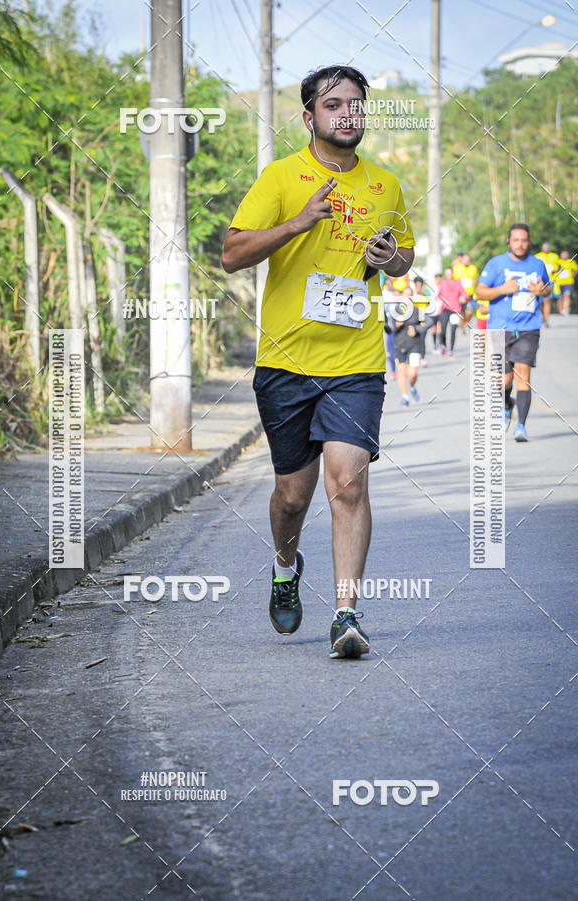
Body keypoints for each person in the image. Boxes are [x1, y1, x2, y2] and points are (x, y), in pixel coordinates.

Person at [221, 65, 415, 658]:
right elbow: (231, 254)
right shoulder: (281, 177)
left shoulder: (384, 185)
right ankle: (285, 564)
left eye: (356, 104)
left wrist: (390, 257)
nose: (347, 114)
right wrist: (299, 221)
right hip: (286, 362)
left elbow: (405, 256)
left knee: (348, 484)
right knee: (293, 497)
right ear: (310, 117)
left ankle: (347, 613)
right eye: (334, 105)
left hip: (355, 360)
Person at [476, 223, 550, 442]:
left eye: (524, 240)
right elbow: (480, 291)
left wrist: (542, 290)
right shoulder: (496, 263)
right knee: (503, 381)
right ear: (509, 241)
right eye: (516, 240)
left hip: (528, 327)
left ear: (529, 242)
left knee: (523, 377)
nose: (520, 244)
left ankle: (521, 427)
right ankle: (507, 406)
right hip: (500, 328)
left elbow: (548, 289)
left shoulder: (537, 264)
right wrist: (502, 289)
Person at [394, 288, 421, 405]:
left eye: (410, 296)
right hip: (399, 345)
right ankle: (405, 397)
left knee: (412, 374)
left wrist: (416, 329)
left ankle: (412, 387)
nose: (408, 298)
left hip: (414, 345)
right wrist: (397, 324)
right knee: (401, 373)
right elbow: (389, 328)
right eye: (406, 295)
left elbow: (427, 324)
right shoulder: (397, 310)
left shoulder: (417, 311)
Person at [437, 267, 467, 356]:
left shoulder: (458, 283)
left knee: (453, 330)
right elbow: (439, 295)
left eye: (449, 274)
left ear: (452, 274)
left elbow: (465, 294)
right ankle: (444, 345)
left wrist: (464, 297)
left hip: (455, 310)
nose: (448, 276)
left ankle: (451, 349)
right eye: (446, 274)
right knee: (443, 330)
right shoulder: (443, 283)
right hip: (445, 309)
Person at [535, 241, 560, 326]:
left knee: (547, 300)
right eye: (545, 248)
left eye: (548, 248)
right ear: (542, 248)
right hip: (540, 282)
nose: (546, 249)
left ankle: (546, 319)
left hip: (550, 281)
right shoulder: (537, 256)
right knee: (540, 302)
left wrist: (557, 271)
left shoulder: (555, 256)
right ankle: (542, 317)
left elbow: (558, 268)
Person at [454, 252, 479, 327]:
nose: (466, 261)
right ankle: (462, 326)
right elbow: (454, 280)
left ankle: (466, 323)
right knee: (462, 313)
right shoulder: (457, 268)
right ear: (462, 260)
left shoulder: (473, 268)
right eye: (465, 259)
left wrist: (474, 281)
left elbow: (476, 278)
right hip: (461, 294)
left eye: (468, 260)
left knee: (470, 312)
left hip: (470, 294)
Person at [552, 250, 577, 316]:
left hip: (568, 283)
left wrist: (572, 276)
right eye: (563, 254)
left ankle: (565, 309)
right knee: (560, 297)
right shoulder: (558, 262)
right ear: (561, 255)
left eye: (566, 254)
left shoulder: (571, 261)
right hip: (558, 283)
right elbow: (554, 270)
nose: (564, 256)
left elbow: (575, 270)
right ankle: (560, 310)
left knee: (567, 295)